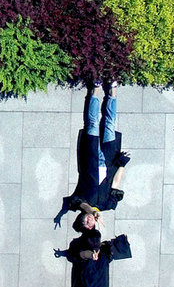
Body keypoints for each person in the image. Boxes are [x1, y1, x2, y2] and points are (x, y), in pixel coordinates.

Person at [54, 81, 129, 227]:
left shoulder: (79, 202)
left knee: (93, 123)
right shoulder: (108, 205)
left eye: (84, 222)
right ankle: (112, 93)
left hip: (91, 156)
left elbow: (80, 204)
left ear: (81, 217)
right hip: (109, 160)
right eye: (90, 225)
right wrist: (122, 165)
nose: (88, 222)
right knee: (110, 124)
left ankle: (95, 91)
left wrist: (91, 211)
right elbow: (115, 185)